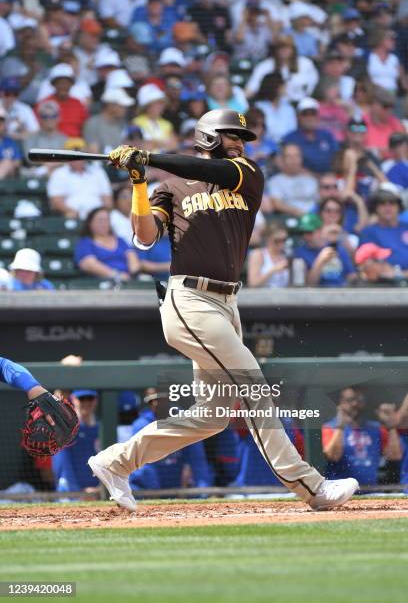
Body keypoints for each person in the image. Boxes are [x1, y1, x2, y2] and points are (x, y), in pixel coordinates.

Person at [88, 108, 359, 512]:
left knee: (212, 416)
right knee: (253, 385)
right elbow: (145, 239)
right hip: (189, 301)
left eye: (242, 137)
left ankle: (114, 462)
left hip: (228, 303)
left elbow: (200, 168)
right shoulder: (172, 187)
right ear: (209, 136)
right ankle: (311, 487)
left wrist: (150, 157)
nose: (240, 143)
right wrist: (140, 181)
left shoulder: (247, 173)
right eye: (233, 135)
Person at [129, 390, 212, 491]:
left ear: (168, 399)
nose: (156, 404)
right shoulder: (140, 425)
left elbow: (197, 460)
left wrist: (202, 490)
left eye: (159, 400)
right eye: (152, 401)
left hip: (180, 485)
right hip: (149, 487)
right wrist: (156, 492)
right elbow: (142, 466)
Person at [322, 387, 402, 486]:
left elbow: (395, 456)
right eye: (350, 400)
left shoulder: (376, 428)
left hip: (370, 490)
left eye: (359, 400)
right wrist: (341, 426)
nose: (355, 404)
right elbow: (332, 456)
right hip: (338, 490)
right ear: (340, 402)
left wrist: (391, 427)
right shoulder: (330, 427)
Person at [47, 138, 113, 219]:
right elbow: (56, 201)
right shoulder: (59, 173)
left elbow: (107, 200)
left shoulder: (98, 172)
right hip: (73, 215)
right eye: (73, 154)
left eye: (81, 153)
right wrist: (74, 212)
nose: (77, 157)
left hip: (97, 216)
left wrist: (99, 214)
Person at [245, 34, 319, 103]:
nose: (284, 50)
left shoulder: (306, 64)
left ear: (293, 49)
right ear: (275, 50)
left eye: (287, 47)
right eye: (280, 47)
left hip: (300, 104)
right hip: (274, 104)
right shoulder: (264, 66)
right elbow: (252, 88)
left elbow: (313, 87)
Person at [74, 206, 141, 282]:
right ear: (90, 223)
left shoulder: (120, 240)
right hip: (101, 283)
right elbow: (88, 264)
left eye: (107, 220)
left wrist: (133, 275)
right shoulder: (85, 243)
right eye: (100, 220)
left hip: (128, 281)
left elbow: (132, 257)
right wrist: (116, 275)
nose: (104, 223)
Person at [52, 389, 100, 494]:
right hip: (69, 491)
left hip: (96, 490)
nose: (86, 403)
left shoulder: (101, 428)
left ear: (96, 400)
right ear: (73, 399)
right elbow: (63, 464)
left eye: (90, 399)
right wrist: (77, 492)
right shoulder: (67, 427)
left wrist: (102, 488)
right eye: (82, 399)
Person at [294, 213, 355, 287]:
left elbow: (352, 276)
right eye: (302, 233)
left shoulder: (337, 247)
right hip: (318, 295)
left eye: (309, 232)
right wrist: (320, 261)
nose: (305, 236)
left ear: (320, 231)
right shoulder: (300, 253)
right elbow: (309, 284)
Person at [283, 97, 339, 175]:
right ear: (298, 117)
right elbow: (286, 164)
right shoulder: (290, 138)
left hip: (328, 180)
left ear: (317, 116)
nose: (309, 118)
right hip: (302, 180)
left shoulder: (327, 135)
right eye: (305, 114)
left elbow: (337, 158)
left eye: (313, 114)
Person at [360, 186, 408, 274]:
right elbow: (367, 264)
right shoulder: (368, 233)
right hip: (386, 284)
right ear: (375, 208)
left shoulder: (406, 228)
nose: (388, 208)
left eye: (392, 203)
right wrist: (399, 274)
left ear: (399, 207)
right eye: (382, 204)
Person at [265, 143, 318, 216]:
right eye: (289, 156)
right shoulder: (275, 181)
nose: (294, 160)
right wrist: (297, 212)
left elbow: (318, 200)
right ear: (283, 160)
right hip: (288, 219)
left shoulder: (311, 180)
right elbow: (277, 204)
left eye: (297, 156)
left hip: (313, 217)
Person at [35, 63, 88, 137]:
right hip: (50, 145)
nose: (63, 86)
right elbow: (36, 129)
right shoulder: (44, 104)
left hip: (76, 145)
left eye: (66, 83)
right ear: (53, 84)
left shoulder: (78, 104)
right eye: (60, 83)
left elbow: (86, 128)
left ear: (71, 84)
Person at [83, 87, 134, 155]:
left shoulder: (122, 123)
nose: (125, 109)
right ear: (110, 106)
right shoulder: (93, 123)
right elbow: (94, 152)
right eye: (122, 106)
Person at [133, 83, 177, 153]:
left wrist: (154, 143)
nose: (161, 106)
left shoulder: (167, 124)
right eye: (157, 103)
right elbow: (140, 146)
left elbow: (174, 145)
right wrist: (163, 143)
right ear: (147, 105)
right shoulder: (136, 122)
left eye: (162, 103)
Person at [23, 100, 67, 169]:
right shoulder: (31, 137)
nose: (49, 119)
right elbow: (29, 158)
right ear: (40, 118)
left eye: (53, 116)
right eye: (45, 116)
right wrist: (51, 162)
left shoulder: (64, 139)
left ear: (58, 118)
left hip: (60, 173)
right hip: (38, 172)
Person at [363, 87, 405, 159]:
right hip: (369, 163)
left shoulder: (396, 124)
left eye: (391, 107)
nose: (389, 110)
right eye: (385, 106)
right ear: (374, 104)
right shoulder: (362, 122)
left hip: (392, 163)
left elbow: (403, 148)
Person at [254, 72, 297, 143]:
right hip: (266, 146)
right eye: (282, 85)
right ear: (276, 87)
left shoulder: (289, 108)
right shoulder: (259, 107)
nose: (285, 87)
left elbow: (292, 131)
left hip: (286, 145)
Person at [247, 222, 289, 288]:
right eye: (277, 240)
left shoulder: (286, 256)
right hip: (263, 296)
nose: (281, 244)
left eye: (284, 240)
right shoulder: (258, 254)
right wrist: (273, 270)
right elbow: (253, 283)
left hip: (284, 296)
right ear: (268, 239)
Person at [0, 76, 39, 140]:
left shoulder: (25, 109)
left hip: (19, 144)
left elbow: (35, 131)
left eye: (15, 94)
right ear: (1, 93)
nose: (11, 97)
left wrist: (21, 133)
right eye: (7, 94)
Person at [0, 105, 22, 178]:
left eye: (2, 122)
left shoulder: (10, 142)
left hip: (8, 177)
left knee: (7, 163)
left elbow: (17, 162)